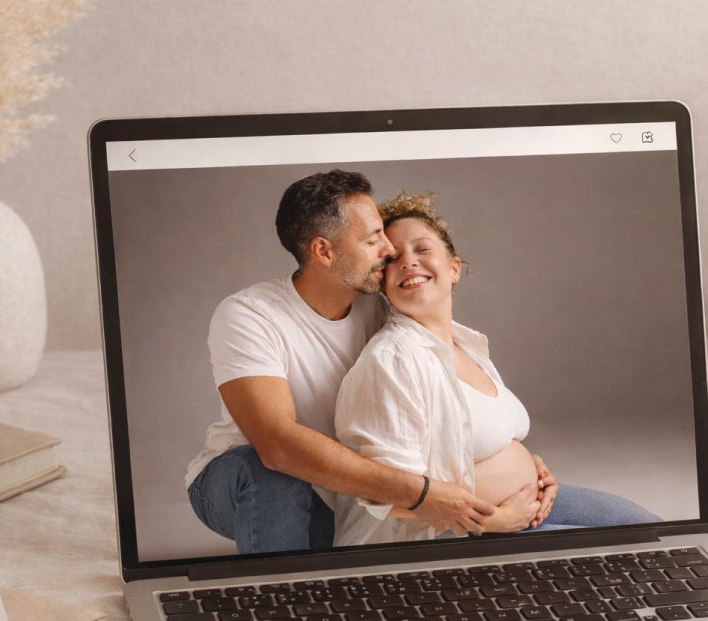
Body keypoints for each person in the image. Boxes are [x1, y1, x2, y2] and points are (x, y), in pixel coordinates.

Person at [185, 171, 498, 554]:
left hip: (351, 497)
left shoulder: (382, 303)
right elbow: (277, 445)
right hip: (239, 481)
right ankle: (280, 602)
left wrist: (519, 460)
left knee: (578, 517)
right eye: (372, 239)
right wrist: (421, 494)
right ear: (323, 251)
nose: (388, 249)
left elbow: (451, 384)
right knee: (271, 474)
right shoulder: (250, 315)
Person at [333, 191, 659, 545]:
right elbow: (380, 495)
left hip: (518, 510)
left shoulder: (468, 346)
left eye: (422, 249)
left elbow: (477, 439)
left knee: (654, 531)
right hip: (446, 535)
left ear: (454, 268)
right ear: (382, 282)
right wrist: (492, 522)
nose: (409, 262)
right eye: (394, 259)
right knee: (622, 557)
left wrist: (531, 468)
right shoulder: (393, 359)